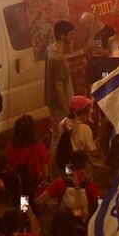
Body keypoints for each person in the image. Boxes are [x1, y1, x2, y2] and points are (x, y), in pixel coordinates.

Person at [45, 20, 74, 169]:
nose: (72, 37)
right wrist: (67, 111)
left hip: (55, 105)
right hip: (60, 107)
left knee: (57, 139)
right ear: (63, 36)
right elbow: (58, 87)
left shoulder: (50, 49)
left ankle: (55, 172)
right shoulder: (57, 58)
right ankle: (53, 172)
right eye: (70, 34)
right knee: (58, 140)